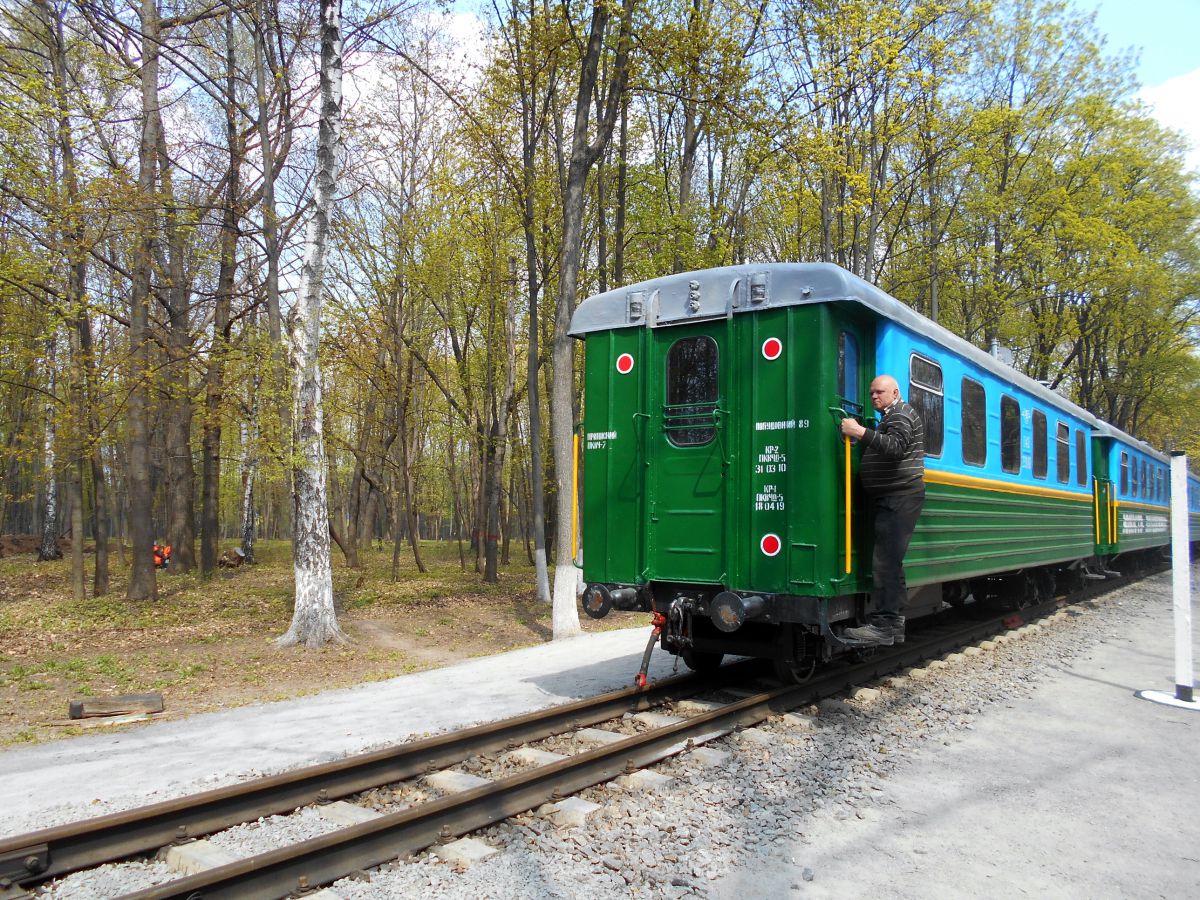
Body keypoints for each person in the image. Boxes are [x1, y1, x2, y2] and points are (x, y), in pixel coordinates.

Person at [839, 374, 925, 645]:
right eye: (872, 392)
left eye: (880, 392)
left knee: (885, 562)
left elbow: (896, 447)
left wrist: (859, 432)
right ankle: (894, 624)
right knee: (892, 562)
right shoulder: (891, 415)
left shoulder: (901, 414)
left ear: (895, 392)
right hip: (894, 497)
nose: (874, 396)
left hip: (899, 497)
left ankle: (883, 626)